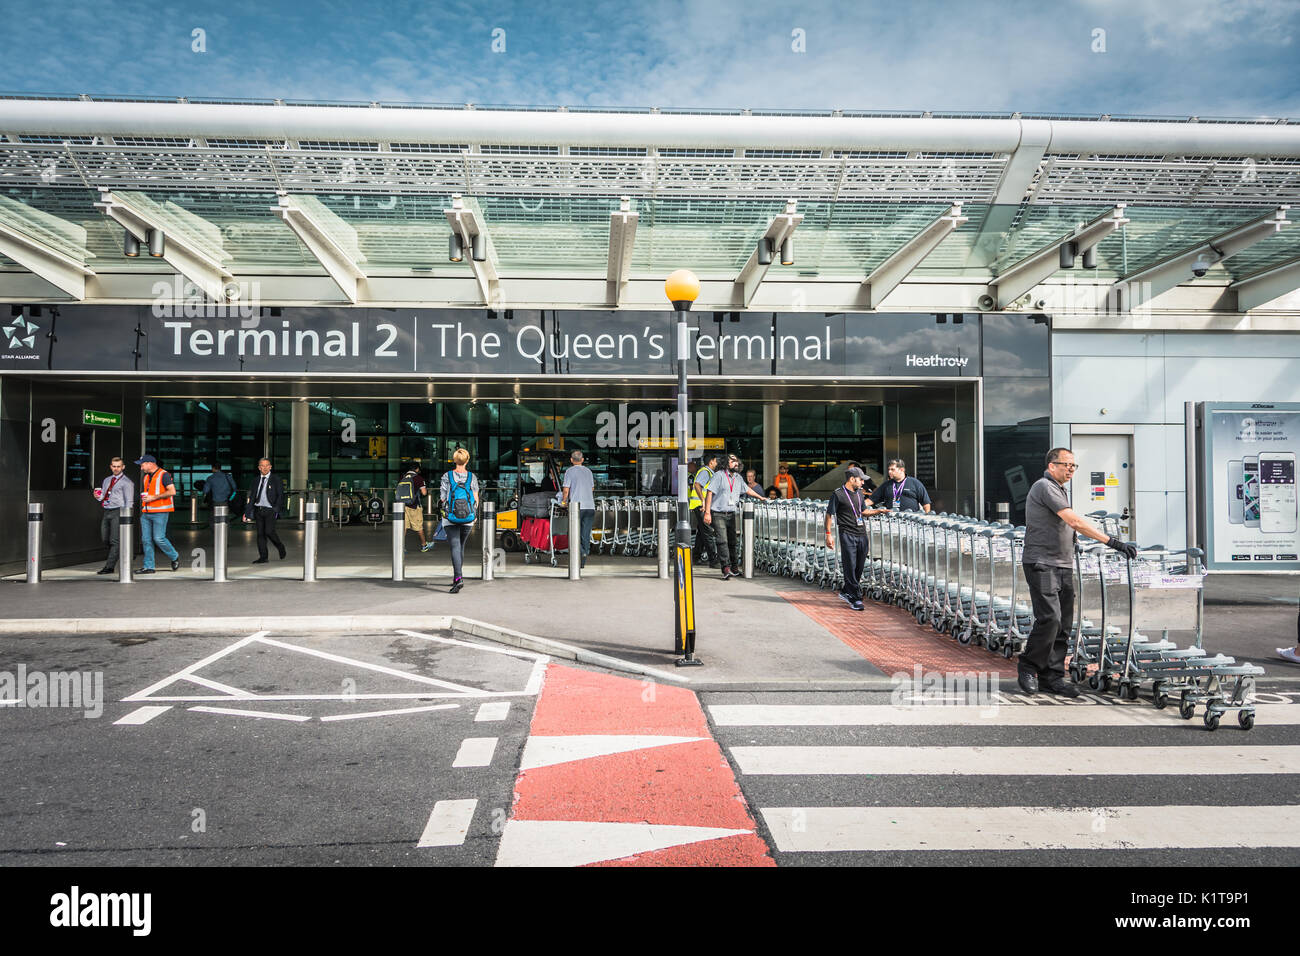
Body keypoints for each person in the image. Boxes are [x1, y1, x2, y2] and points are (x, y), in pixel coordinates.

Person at [1020, 447, 1138, 697]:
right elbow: (1074, 521)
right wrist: (1113, 542)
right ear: (1052, 466)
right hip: (1042, 563)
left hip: (1062, 563)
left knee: (1063, 623)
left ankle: (1051, 677)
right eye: (1067, 465)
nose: (1071, 469)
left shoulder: (1059, 488)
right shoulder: (1045, 486)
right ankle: (1028, 667)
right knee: (1049, 619)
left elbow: (1065, 528)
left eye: (1074, 466)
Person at [703, 453, 764, 579]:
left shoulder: (738, 477)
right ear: (726, 463)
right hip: (718, 513)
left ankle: (734, 567)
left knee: (732, 541)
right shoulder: (718, 476)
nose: (735, 463)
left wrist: (760, 497)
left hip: (731, 513)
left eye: (736, 461)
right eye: (732, 461)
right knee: (722, 540)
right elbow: (709, 493)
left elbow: (747, 489)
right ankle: (726, 568)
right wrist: (707, 512)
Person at [824, 466, 874, 610]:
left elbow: (863, 511)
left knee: (859, 566)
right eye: (860, 480)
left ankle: (847, 591)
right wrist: (828, 535)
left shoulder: (859, 494)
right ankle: (855, 597)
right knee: (850, 566)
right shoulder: (838, 494)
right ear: (852, 479)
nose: (863, 483)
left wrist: (878, 511)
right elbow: (829, 515)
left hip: (862, 534)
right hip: (847, 533)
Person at [440, 447, 479, 593]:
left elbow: (443, 497)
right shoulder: (472, 477)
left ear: (454, 460)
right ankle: (458, 576)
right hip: (468, 517)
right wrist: (474, 515)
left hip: (450, 517)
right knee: (460, 546)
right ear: (467, 460)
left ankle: (458, 578)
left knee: (455, 546)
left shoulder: (447, 476)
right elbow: (476, 499)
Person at [134, 455, 180, 574]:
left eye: (142, 464)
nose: (141, 467)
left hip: (160, 512)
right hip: (146, 512)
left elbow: (172, 491)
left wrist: (153, 497)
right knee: (146, 540)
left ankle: (174, 556)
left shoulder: (163, 474)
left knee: (158, 538)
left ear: (150, 463)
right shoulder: (146, 477)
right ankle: (149, 566)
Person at [93, 456, 133, 574]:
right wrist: (98, 497)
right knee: (105, 538)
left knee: (115, 540)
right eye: (114, 466)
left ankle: (109, 567)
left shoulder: (127, 482)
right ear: (111, 467)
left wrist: (127, 517)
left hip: (118, 511)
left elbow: (129, 501)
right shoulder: (106, 480)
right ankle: (120, 552)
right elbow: (103, 496)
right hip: (107, 510)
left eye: (118, 466)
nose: (116, 469)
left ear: (123, 467)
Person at [242, 457, 287, 564]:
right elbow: (252, 497)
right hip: (259, 510)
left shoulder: (276, 479)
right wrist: (247, 512)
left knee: (269, 531)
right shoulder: (256, 480)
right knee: (260, 534)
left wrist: (276, 508)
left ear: (270, 467)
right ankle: (263, 557)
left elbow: (280, 495)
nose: (265, 468)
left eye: (267, 465)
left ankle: (280, 546)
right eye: (262, 465)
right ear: (259, 468)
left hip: (270, 510)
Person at [560, 450, 596, 569]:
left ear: (571, 460)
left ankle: (581, 552)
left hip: (576, 507)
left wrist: (564, 502)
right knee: (585, 534)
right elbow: (591, 489)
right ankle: (584, 556)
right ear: (582, 460)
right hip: (590, 506)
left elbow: (566, 490)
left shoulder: (569, 471)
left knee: (572, 533)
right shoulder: (589, 471)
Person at [690, 451, 721, 568]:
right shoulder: (705, 472)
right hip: (700, 506)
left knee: (702, 532)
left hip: (699, 506)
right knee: (707, 532)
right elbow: (697, 484)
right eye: (715, 460)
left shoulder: (709, 472)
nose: (716, 463)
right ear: (711, 461)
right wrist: (703, 500)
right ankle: (713, 559)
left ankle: (696, 556)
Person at [396, 462, 434, 553]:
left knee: (404, 527)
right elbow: (424, 492)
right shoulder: (418, 478)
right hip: (414, 506)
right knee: (418, 527)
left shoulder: (403, 477)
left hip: (402, 506)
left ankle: (401, 547)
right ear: (417, 469)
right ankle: (424, 545)